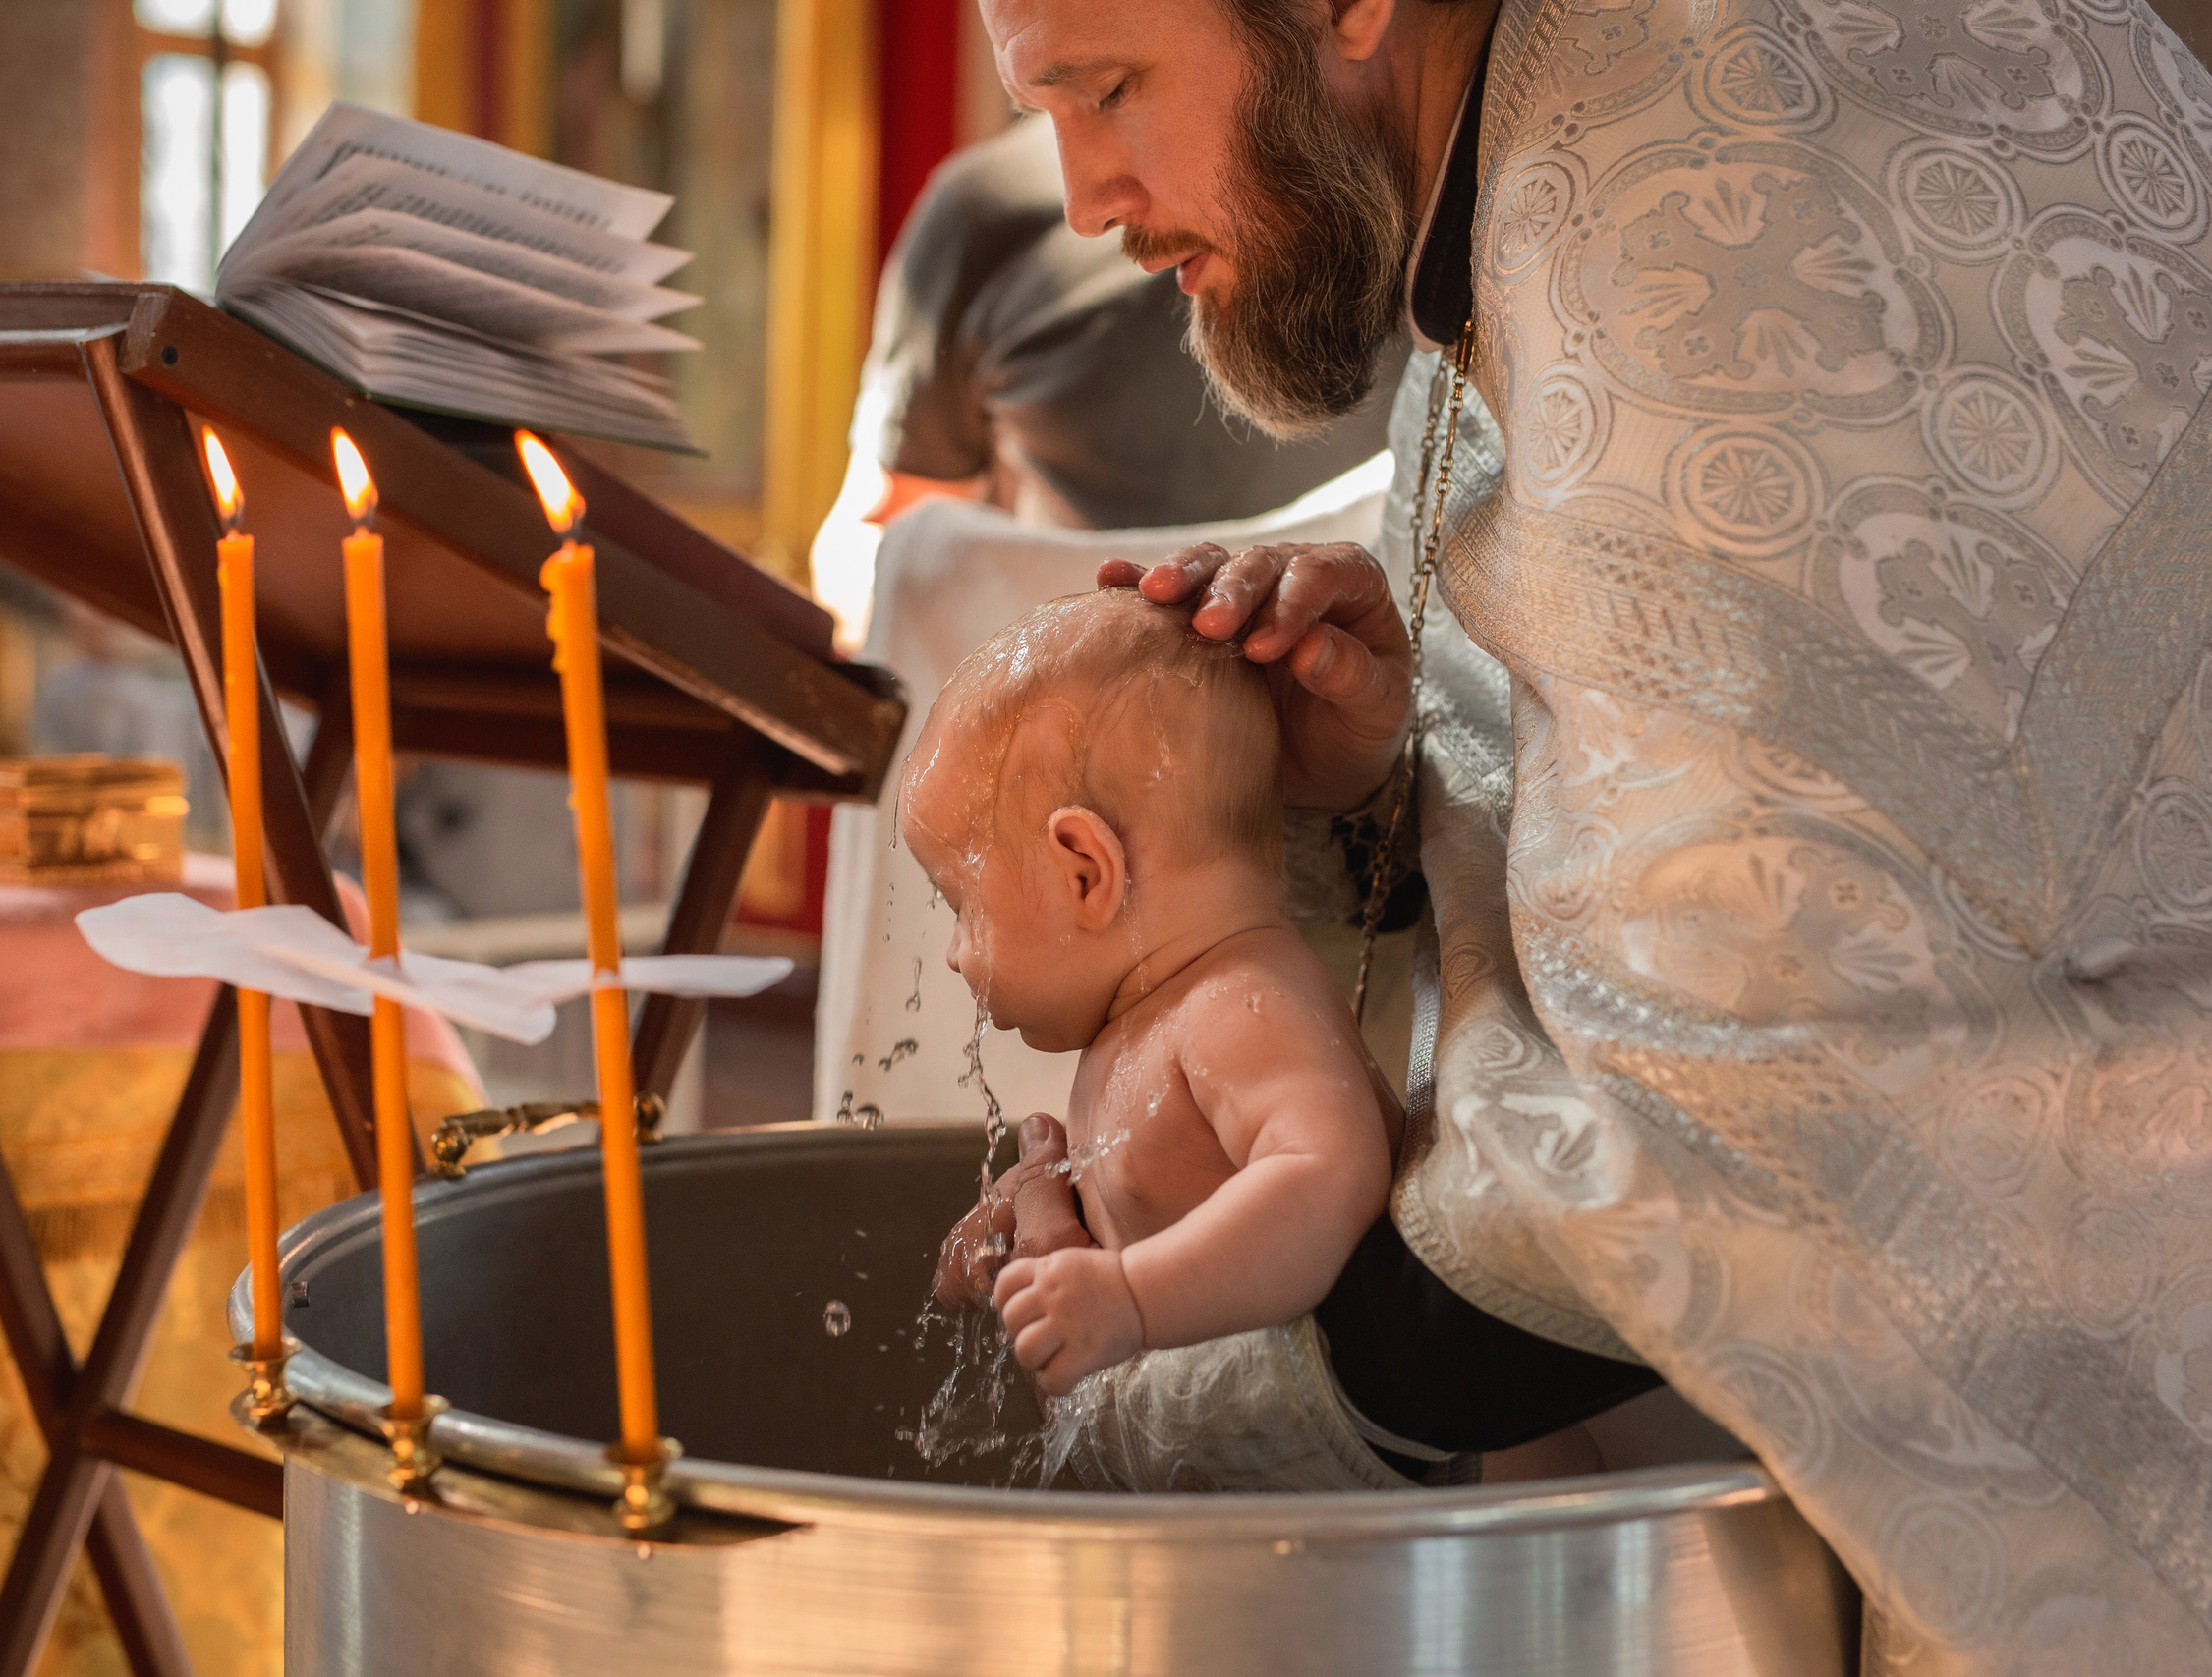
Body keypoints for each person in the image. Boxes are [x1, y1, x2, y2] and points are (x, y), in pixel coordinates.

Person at [981, 0, 2212, 1665]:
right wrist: (1379, 757)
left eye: (1112, 87)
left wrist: (1150, 1390)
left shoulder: (1699, 209)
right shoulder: (1589, 101)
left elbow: (1743, 1113)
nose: (1084, 197)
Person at [903, 591, 1418, 1491]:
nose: (954, 955)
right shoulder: (1153, 1014)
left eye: (962, 907)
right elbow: (1161, 1181)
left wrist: (1132, 1296)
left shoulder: (1236, 1000)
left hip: (1441, 1513)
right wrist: (1038, 1197)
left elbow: (1328, 1174)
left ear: (1085, 870)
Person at [809, 113, 1396, 646]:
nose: (1086, 211)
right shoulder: (981, 215)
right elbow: (880, 545)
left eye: (1115, 88)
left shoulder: (1406, 206)